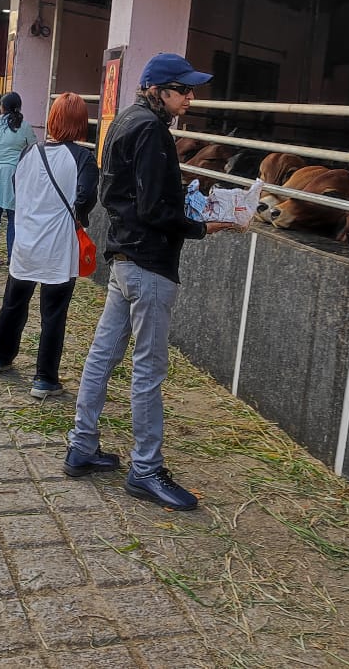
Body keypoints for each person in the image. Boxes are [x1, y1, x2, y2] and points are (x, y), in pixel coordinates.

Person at [63, 53, 233, 512]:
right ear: (159, 90)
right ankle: (145, 468)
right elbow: (157, 208)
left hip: (123, 257)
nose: (190, 99)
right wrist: (202, 225)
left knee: (103, 354)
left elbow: (117, 193)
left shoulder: (123, 121)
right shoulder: (153, 130)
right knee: (148, 368)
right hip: (150, 264)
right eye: (184, 90)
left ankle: (81, 444)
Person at [0, 93, 97, 399]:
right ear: (80, 123)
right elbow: (85, 200)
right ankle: (44, 378)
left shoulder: (29, 152)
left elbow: (17, 188)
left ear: (52, 119)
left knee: (13, 303)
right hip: (58, 248)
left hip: (25, 241)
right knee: (53, 314)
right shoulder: (84, 159)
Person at [0, 92, 36, 267]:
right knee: (14, 218)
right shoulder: (24, 126)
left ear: (1, 107)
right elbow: (33, 148)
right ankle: (13, 258)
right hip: (14, 173)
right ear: (19, 107)